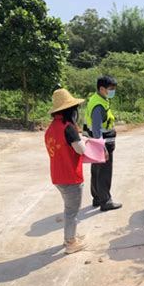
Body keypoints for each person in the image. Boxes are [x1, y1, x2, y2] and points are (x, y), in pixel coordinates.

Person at [44, 88, 87, 254]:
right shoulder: (68, 128)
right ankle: (70, 242)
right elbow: (80, 150)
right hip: (70, 176)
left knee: (69, 208)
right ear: (70, 110)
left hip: (57, 175)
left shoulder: (51, 128)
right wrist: (84, 140)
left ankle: (71, 236)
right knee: (71, 212)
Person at [84, 76, 122, 212]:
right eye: (110, 89)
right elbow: (96, 128)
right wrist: (102, 148)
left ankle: (97, 198)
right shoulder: (98, 105)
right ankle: (105, 201)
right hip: (102, 143)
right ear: (101, 88)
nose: (112, 92)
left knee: (96, 171)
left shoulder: (97, 100)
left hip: (96, 143)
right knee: (104, 173)